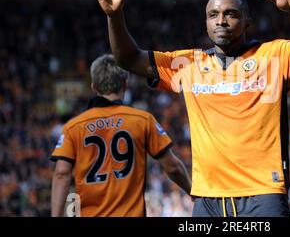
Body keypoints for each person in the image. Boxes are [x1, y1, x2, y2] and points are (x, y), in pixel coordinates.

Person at [90, 0, 290, 217]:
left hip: (263, 194)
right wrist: (114, 17)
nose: (221, 21)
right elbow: (128, 59)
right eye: (213, 15)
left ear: (247, 22)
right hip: (208, 199)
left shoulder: (274, 56)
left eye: (231, 14)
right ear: (205, 23)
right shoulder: (188, 64)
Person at [50, 54, 191, 217]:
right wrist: (192, 191)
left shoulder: (73, 127)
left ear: (93, 87)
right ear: (125, 84)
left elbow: (61, 174)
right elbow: (172, 167)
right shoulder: (143, 120)